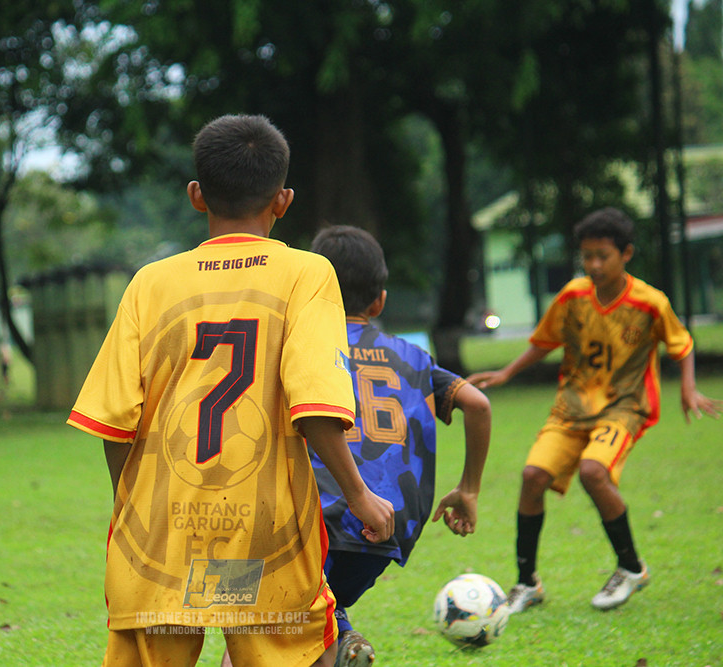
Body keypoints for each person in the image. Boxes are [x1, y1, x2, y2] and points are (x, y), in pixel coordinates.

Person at [66, 115, 395, 667]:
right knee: (304, 652)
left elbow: (114, 423)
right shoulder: (307, 274)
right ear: (283, 200)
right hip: (261, 535)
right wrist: (359, 494)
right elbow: (313, 406)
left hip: (161, 538)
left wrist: (134, 503)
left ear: (197, 195)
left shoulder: (150, 283)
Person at [468, 207, 722, 613]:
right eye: (587, 256)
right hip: (571, 408)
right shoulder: (572, 297)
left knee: (593, 471)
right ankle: (527, 582)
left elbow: (682, 343)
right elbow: (544, 340)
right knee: (533, 476)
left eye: (603, 255)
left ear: (626, 254)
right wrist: (507, 372)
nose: (594, 264)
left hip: (624, 408)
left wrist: (688, 389)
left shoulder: (650, 302)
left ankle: (631, 567)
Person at [308, 225, 492, 664]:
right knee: (311, 618)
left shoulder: (308, 350)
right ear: (380, 301)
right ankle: (342, 635)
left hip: (321, 522)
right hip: (388, 531)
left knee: (263, 627)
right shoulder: (413, 358)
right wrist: (468, 489)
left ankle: (339, 639)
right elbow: (478, 405)